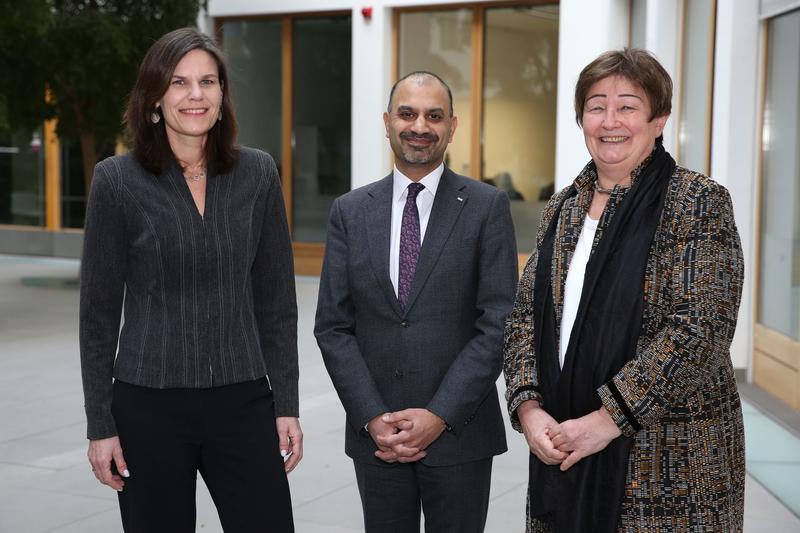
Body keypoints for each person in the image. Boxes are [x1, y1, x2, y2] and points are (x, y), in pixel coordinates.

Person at [503, 48, 745, 532]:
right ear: (582, 118)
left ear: (659, 120)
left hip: (668, 463)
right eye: (596, 106)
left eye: (628, 106)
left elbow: (699, 330)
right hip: (560, 443)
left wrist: (607, 419)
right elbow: (525, 317)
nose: (610, 120)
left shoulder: (697, 201)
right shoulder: (561, 208)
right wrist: (528, 407)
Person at [79, 27, 301, 533]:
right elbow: (97, 315)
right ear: (155, 97)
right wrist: (100, 425)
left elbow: (276, 301)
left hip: (243, 401)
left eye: (207, 81)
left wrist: (285, 403)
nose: (195, 95)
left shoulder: (258, 173)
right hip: (147, 405)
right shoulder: (117, 181)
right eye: (179, 82)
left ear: (223, 96)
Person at [314, 71, 518, 532]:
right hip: (377, 436)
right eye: (407, 114)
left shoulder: (487, 207)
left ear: (452, 125)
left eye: (433, 115)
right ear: (387, 121)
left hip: (460, 435)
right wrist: (370, 415)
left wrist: (439, 414)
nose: (419, 126)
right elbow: (333, 325)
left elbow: (499, 322)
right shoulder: (349, 211)